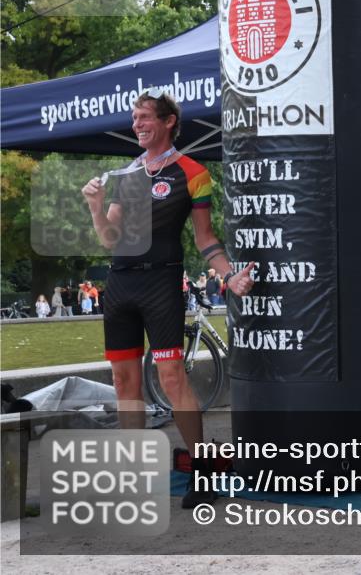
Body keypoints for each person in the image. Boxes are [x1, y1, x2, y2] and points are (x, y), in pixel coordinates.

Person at [81, 90, 255, 509]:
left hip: (161, 284)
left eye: (144, 117)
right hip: (120, 285)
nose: (137, 124)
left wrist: (229, 276)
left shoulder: (192, 172)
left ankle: (201, 473)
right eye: (134, 118)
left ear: (168, 121)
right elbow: (110, 239)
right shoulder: (127, 175)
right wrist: (95, 205)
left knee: (173, 377)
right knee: (124, 382)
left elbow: (205, 239)